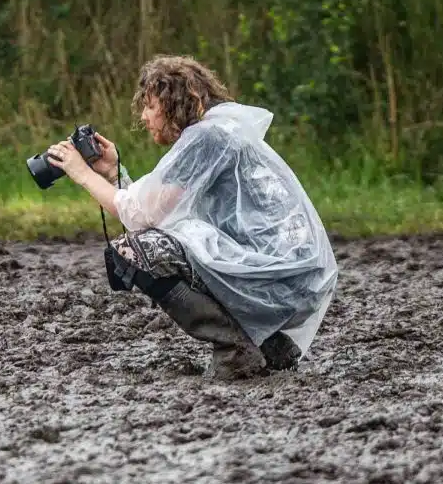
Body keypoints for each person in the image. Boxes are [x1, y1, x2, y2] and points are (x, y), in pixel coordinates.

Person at [44, 55, 338, 379]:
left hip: (278, 279)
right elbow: (156, 211)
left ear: (174, 103)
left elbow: (139, 216)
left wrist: (81, 173)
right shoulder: (219, 131)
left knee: (133, 251)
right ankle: (270, 344)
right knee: (174, 240)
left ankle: (234, 349)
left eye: (149, 105)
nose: (143, 116)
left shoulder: (206, 138)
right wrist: (114, 173)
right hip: (291, 277)